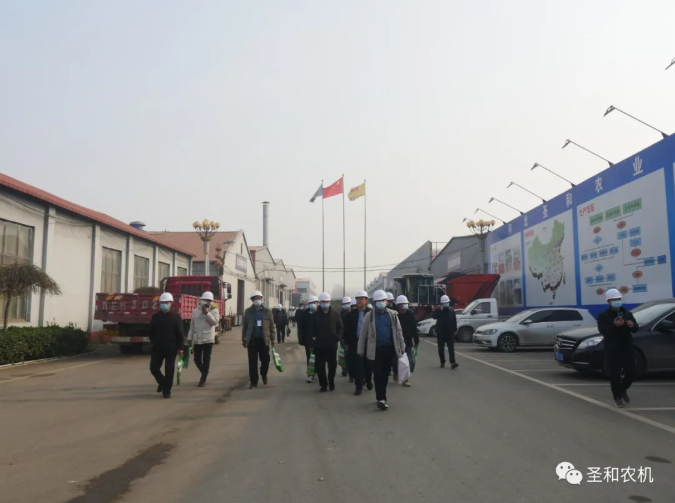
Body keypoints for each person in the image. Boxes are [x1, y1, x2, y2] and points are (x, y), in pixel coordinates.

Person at [358, 290, 405, 410]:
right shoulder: (370, 316)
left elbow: (399, 332)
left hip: (389, 349)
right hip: (375, 350)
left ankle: (381, 395)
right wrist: (360, 349)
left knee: (385, 374)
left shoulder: (392, 315)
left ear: (386, 301)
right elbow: (363, 334)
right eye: (378, 301)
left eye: (382, 301)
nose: (380, 303)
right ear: (374, 302)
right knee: (378, 374)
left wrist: (402, 347)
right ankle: (381, 398)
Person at [597, 289, 639, 408]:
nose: (617, 301)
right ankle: (617, 397)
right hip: (613, 349)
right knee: (614, 375)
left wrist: (632, 326)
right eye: (614, 299)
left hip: (627, 348)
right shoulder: (603, 316)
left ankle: (623, 389)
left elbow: (636, 328)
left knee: (632, 372)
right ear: (608, 301)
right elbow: (603, 330)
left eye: (618, 299)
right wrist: (614, 326)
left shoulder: (627, 313)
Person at [149, 292, 184, 399]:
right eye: (162, 302)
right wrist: (154, 342)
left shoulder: (176, 317)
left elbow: (180, 333)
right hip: (158, 347)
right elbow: (151, 332)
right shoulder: (156, 317)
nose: (164, 304)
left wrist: (180, 347)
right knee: (154, 368)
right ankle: (162, 382)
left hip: (171, 347)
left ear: (171, 303)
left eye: (167, 302)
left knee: (169, 370)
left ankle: (167, 391)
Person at [307, 292, 343, 392]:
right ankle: (323, 384)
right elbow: (311, 330)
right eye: (323, 302)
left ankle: (331, 381)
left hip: (332, 345)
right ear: (320, 303)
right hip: (319, 346)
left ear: (330, 302)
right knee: (320, 366)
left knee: (332, 365)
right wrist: (312, 343)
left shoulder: (335, 314)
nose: (325, 303)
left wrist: (337, 337)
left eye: (327, 302)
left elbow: (340, 328)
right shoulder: (315, 315)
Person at [242, 290, 276, 389]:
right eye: (255, 298)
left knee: (265, 360)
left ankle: (263, 374)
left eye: (259, 298)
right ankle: (253, 382)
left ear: (261, 299)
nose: (257, 300)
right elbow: (245, 327)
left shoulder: (267, 311)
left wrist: (273, 339)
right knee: (252, 363)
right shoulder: (248, 311)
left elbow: (272, 326)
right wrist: (244, 339)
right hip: (252, 341)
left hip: (264, 340)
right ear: (252, 300)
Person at [187, 291, 220, 387]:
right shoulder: (195, 311)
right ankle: (204, 373)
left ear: (211, 302)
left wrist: (207, 313)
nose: (206, 302)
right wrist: (189, 337)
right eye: (205, 300)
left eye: (208, 301)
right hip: (197, 339)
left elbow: (215, 322)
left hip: (207, 339)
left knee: (206, 359)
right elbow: (192, 325)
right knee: (196, 359)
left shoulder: (214, 311)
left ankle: (203, 379)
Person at [345, 290, 372, 395]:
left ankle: (368, 380)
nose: (359, 301)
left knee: (368, 365)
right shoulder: (351, 314)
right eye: (358, 299)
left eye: (362, 299)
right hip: (355, 342)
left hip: (368, 342)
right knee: (357, 365)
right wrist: (347, 343)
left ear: (366, 300)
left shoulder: (371, 313)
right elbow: (347, 330)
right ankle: (358, 386)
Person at [396, 295, 419, 387]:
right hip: (397, 342)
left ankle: (405, 379)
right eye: (403, 304)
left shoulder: (410, 315)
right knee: (396, 361)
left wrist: (416, 339)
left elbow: (414, 328)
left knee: (407, 361)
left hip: (408, 342)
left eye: (406, 303)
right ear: (399, 305)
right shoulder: (395, 315)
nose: (405, 305)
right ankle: (396, 371)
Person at [433, 295, 458, 369]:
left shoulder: (451, 310)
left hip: (449, 332)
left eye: (447, 302)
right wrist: (440, 310)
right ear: (442, 303)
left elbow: (454, 320)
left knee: (451, 348)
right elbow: (434, 316)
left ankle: (453, 362)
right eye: (445, 303)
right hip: (441, 333)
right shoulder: (438, 310)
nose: (446, 304)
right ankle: (442, 362)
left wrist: (455, 330)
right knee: (441, 349)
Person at [340, 296, 352, 379]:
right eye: (345, 304)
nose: (346, 305)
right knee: (344, 354)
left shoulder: (353, 313)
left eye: (347, 303)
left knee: (351, 355)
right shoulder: (341, 314)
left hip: (351, 337)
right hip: (343, 338)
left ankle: (351, 371)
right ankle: (344, 369)